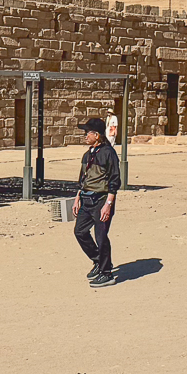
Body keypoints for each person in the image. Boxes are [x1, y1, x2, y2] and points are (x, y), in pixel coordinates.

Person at [72, 116, 121, 287]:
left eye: (88, 133)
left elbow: (115, 179)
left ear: (97, 135)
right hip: (86, 200)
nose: (85, 136)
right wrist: (78, 197)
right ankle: (98, 261)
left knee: (101, 236)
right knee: (80, 232)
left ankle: (107, 273)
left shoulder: (108, 153)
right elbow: (82, 179)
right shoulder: (87, 154)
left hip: (101, 200)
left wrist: (108, 204)